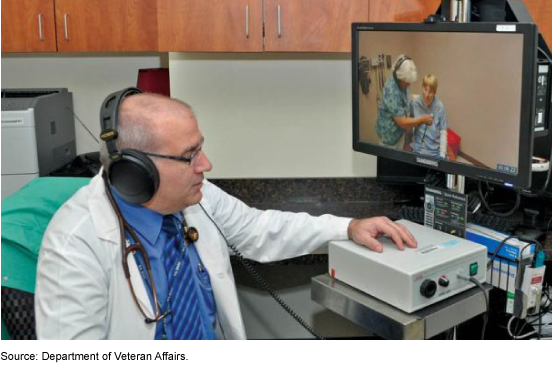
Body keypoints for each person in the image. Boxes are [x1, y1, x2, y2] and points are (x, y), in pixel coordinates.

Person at [34, 89, 417, 340]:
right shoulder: (74, 245)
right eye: (190, 156)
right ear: (136, 170)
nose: (206, 164)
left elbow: (260, 230)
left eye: (200, 148)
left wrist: (347, 226)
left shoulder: (196, 199)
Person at [375, 55, 434, 150]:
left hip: (399, 133)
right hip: (389, 135)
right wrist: (422, 119)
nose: (409, 84)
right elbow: (402, 122)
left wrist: (419, 98)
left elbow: (406, 97)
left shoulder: (403, 82)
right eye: (407, 82)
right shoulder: (391, 91)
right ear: (400, 78)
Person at [410, 74, 455, 159]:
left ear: (435, 92)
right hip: (418, 149)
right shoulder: (415, 103)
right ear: (422, 87)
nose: (427, 94)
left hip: (435, 152)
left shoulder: (439, 107)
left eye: (430, 92)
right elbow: (410, 124)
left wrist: (442, 155)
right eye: (425, 89)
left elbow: (443, 132)